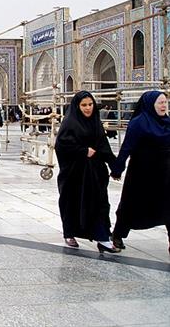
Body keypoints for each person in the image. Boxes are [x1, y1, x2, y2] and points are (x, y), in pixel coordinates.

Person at [54, 91, 119, 253]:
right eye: (84, 105)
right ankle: (69, 233)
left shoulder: (95, 122)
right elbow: (61, 146)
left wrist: (114, 166)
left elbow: (103, 145)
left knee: (99, 203)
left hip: (95, 173)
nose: (88, 108)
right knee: (72, 204)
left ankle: (103, 238)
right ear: (77, 106)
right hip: (74, 175)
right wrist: (83, 151)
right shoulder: (69, 123)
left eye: (90, 104)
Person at [111, 91, 170, 252]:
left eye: (165, 102)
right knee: (131, 206)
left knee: (168, 206)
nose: (164, 106)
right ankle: (117, 234)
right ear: (150, 104)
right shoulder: (139, 123)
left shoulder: (167, 122)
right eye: (160, 103)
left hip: (165, 173)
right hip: (142, 173)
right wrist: (118, 168)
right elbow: (127, 147)